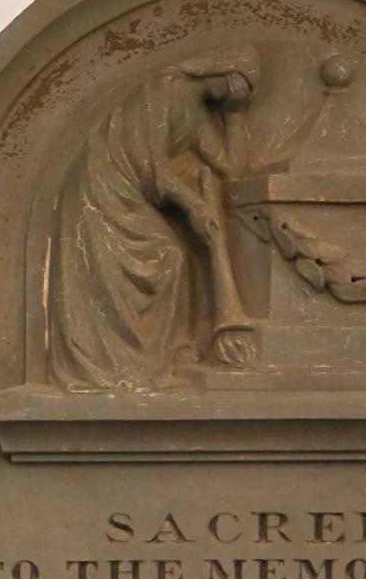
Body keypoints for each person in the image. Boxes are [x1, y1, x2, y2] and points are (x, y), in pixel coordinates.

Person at [46, 59, 259, 391]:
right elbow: (153, 166)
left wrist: (235, 115)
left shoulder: (198, 116)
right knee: (160, 257)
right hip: (103, 185)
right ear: (226, 68)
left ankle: (152, 361)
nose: (241, 89)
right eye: (242, 80)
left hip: (131, 194)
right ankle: (115, 363)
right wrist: (194, 205)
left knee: (170, 258)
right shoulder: (167, 87)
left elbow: (231, 168)